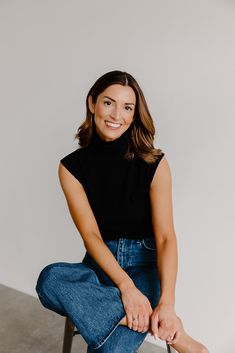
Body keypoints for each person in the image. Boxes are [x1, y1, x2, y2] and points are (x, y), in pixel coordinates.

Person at [36, 70, 209, 353]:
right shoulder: (71, 168)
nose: (117, 114)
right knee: (50, 280)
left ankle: (151, 314)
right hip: (100, 263)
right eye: (108, 103)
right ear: (92, 103)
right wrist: (126, 290)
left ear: (134, 114)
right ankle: (161, 326)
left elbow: (166, 237)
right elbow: (91, 235)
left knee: (110, 350)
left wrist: (167, 303)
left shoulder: (155, 163)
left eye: (127, 107)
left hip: (145, 264)